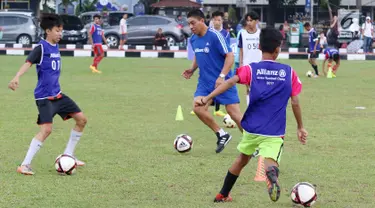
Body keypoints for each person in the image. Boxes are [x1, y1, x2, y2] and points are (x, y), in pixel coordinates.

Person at [194, 27, 307, 203]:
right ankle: (272, 176)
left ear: (259, 47)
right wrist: (300, 126)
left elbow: (230, 82)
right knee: (271, 160)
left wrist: (208, 97)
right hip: (274, 131)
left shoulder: (251, 69)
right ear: (278, 49)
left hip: (251, 127)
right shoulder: (288, 72)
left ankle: (223, 193)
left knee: (241, 159)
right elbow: (295, 102)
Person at [8, 13, 88, 175]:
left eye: (61, 31)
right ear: (47, 31)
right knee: (46, 130)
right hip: (44, 98)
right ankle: (24, 165)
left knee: (82, 120)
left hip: (58, 95)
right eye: (57, 30)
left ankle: (69, 154)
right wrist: (17, 77)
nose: (60, 34)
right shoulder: (41, 48)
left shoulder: (55, 46)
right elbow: (28, 63)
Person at [182, 9, 243, 153]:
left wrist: (222, 76)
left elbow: (229, 56)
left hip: (224, 81)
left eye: (193, 23)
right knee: (197, 107)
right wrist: (192, 69)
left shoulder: (215, 36)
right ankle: (222, 134)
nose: (191, 27)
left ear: (202, 21)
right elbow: (198, 55)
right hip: (205, 82)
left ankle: (252, 143)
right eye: (189, 24)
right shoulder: (193, 39)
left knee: (234, 114)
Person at [238, 11, 262, 105]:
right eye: (247, 21)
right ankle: (249, 107)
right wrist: (240, 63)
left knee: (259, 87)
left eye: (251, 20)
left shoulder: (260, 33)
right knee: (248, 88)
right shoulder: (242, 34)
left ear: (256, 21)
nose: (248, 23)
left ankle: (259, 106)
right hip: (247, 65)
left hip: (259, 64)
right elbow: (241, 50)